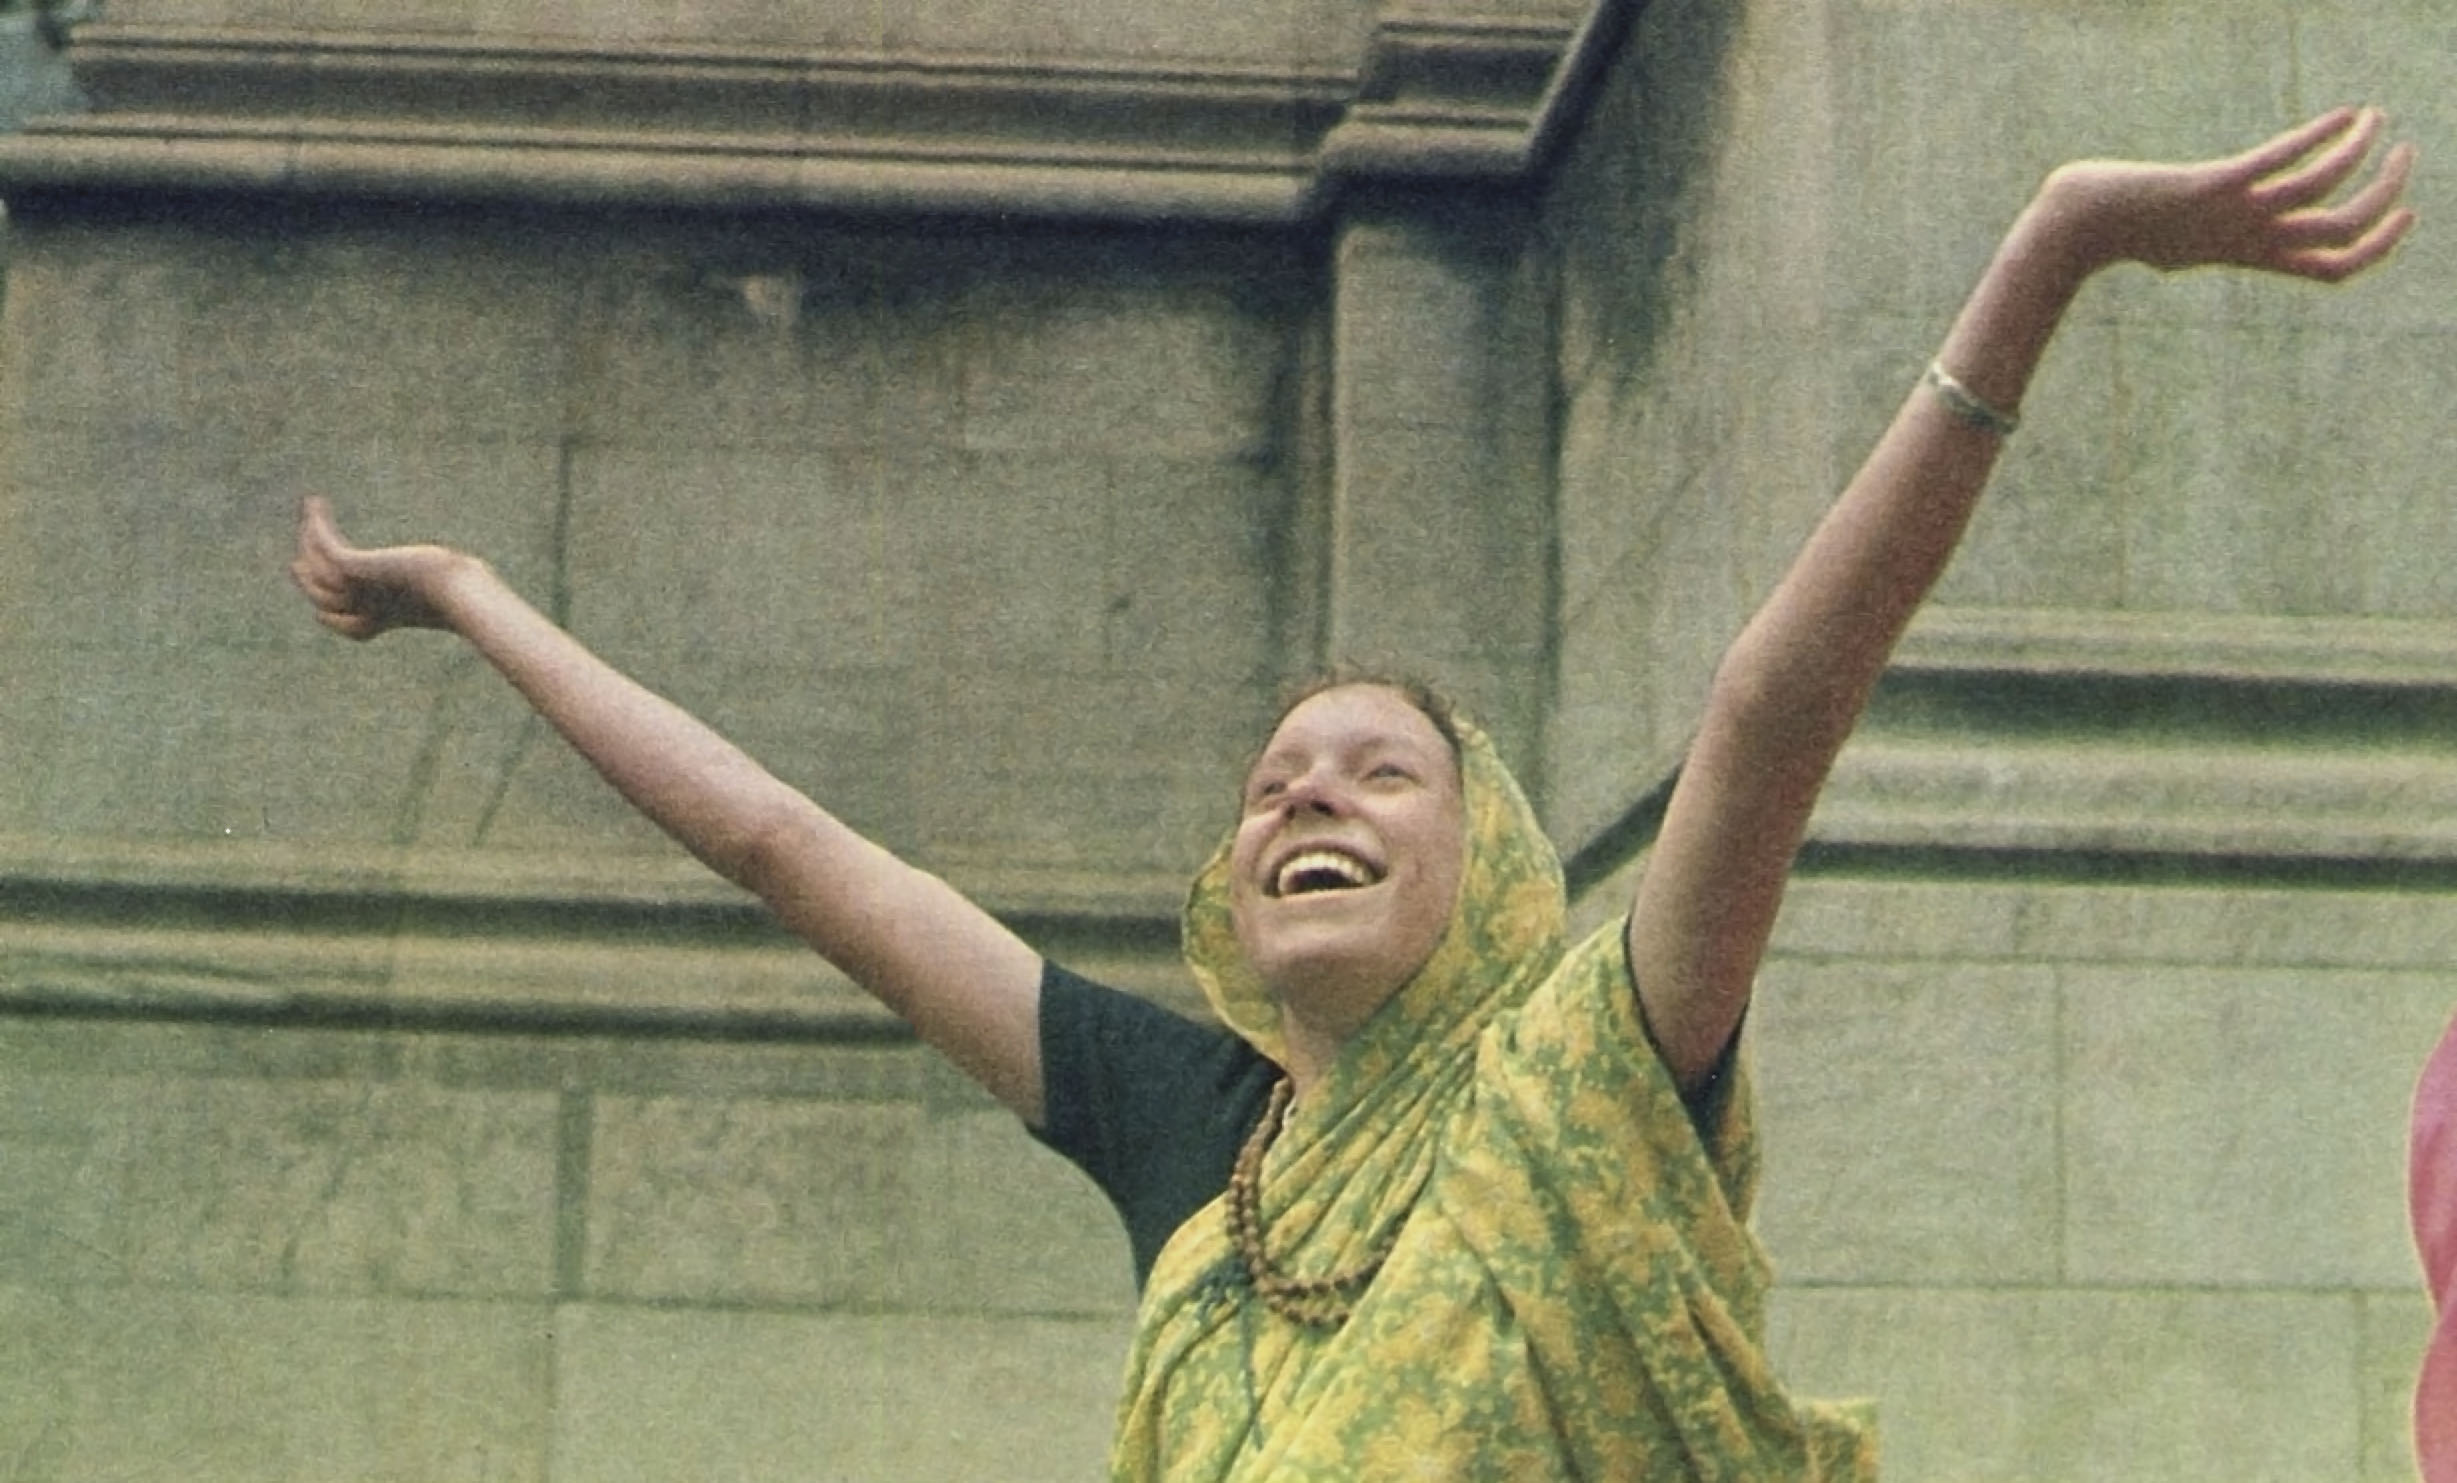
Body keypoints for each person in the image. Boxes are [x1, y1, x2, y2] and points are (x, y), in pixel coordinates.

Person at [291, 105, 2416, 1479]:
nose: (1306, 796)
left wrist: (2040, 252)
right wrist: (480, 603)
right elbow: (783, 842)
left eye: (1377, 770)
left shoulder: (1591, 1065)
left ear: (1483, 863)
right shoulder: (1186, 1135)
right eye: (1272, 778)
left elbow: (1766, 710)